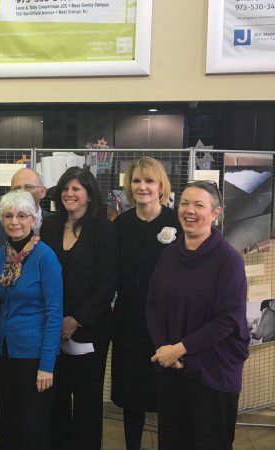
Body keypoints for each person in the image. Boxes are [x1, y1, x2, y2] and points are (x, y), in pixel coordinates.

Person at [147, 180, 249, 450]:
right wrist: (163, 348)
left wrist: (178, 349)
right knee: (172, 441)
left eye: (199, 205)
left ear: (215, 213)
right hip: (172, 368)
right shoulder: (169, 254)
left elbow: (227, 321)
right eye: (184, 203)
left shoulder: (228, 260)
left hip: (213, 371)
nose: (189, 210)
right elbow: (153, 303)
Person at [39, 167, 118, 450]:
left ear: (89, 195)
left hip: (90, 329)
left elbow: (107, 283)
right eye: (65, 188)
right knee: (55, 398)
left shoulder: (104, 229)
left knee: (87, 400)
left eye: (76, 189)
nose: (69, 194)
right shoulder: (49, 226)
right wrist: (55, 320)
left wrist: (77, 320)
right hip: (51, 329)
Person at [110, 157, 180, 450]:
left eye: (149, 181)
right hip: (128, 321)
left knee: (167, 392)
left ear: (161, 185)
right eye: (136, 181)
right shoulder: (120, 224)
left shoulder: (175, 222)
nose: (142, 187)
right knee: (132, 392)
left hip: (166, 320)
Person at [0, 190, 62, 450]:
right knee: (8, 423)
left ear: (34, 219)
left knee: (33, 428)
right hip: (6, 353)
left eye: (22, 216)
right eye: (8, 216)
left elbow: (55, 313)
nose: (15, 222)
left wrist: (47, 365)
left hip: (35, 356)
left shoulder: (46, 256)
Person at [0, 168, 51, 265]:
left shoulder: (57, 224)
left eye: (28, 187)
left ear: (42, 192)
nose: (22, 192)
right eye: (17, 188)